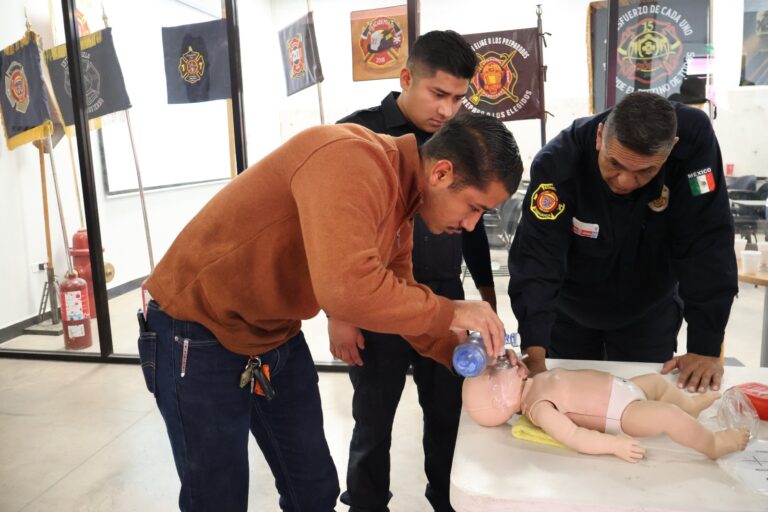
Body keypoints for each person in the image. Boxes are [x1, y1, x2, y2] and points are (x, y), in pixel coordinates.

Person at [139, 113, 523, 512]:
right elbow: (347, 290)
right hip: (197, 331)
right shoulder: (350, 159)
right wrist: (451, 312)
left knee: (314, 490)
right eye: (474, 207)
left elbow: (400, 298)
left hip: (273, 333)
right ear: (442, 173)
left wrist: (473, 359)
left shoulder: (401, 202)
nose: (471, 223)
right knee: (217, 498)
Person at [333, 30, 498, 512]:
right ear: (407, 77)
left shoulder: (459, 142)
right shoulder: (358, 136)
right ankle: (366, 504)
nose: (447, 110)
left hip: (444, 295)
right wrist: (339, 313)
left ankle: (445, 501)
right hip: (375, 301)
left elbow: (474, 225)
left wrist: (485, 294)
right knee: (372, 421)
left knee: (447, 414)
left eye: (458, 99)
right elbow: (332, 236)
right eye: (438, 94)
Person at [508, 92, 738, 393]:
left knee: (642, 407)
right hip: (570, 312)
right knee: (565, 404)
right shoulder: (560, 163)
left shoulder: (693, 144)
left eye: (646, 170)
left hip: (649, 311)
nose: (625, 181)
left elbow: (707, 241)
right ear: (600, 136)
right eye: (614, 163)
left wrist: (705, 346)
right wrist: (534, 353)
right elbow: (538, 259)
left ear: (672, 150)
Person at [461, 365, 751, 461]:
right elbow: (574, 436)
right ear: (500, 402)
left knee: (656, 383)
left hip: (624, 388)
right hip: (623, 412)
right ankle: (712, 445)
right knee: (667, 416)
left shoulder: (535, 382)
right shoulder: (538, 408)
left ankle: (689, 407)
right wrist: (614, 445)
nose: (501, 366)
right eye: (495, 374)